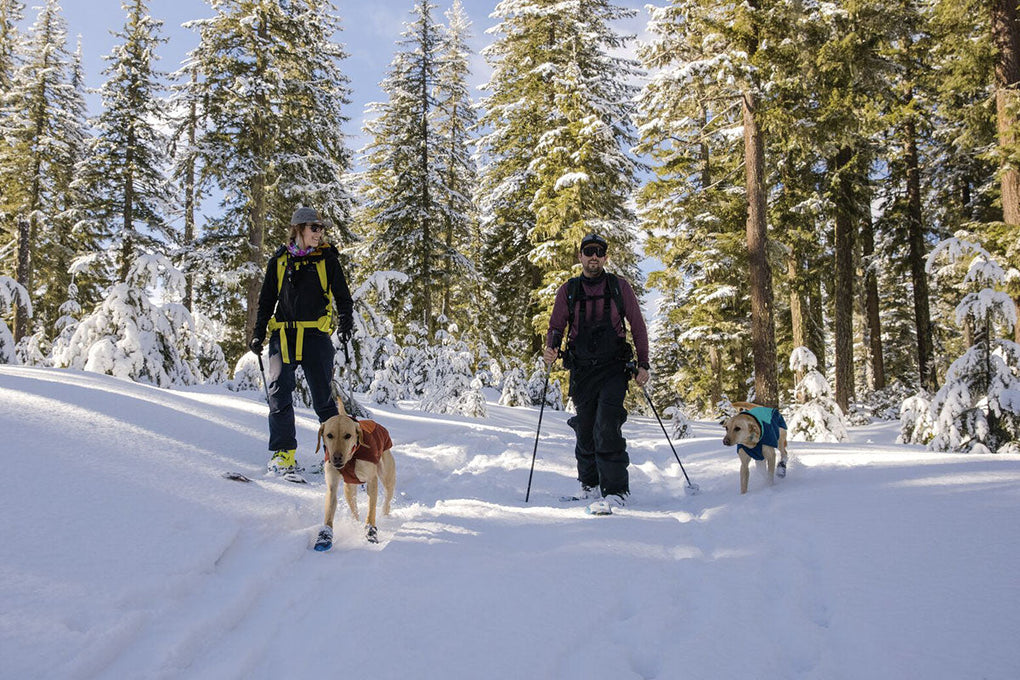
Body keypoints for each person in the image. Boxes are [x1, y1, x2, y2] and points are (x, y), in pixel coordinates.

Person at [543, 233, 650, 514]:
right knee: (586, 427)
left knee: (607, 424)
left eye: (599, 252)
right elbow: (556, 326)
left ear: (605, 258)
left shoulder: (619, 287)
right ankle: (589, 486)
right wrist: (551, 348)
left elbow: (637, 326)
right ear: (580, 256)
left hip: (614, 368)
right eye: (588, 251)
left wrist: (644, 363)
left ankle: (616, 491)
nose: (594, 256)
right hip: (581, 369)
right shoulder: (569, 290)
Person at [249, 206, 355, 476]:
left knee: (323, 398)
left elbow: (343, 297)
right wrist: (259, 332)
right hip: (283, 336)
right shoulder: (279, 261)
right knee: (278, 394)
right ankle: (284, 454)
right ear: (298, 229)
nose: (319, 233)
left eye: (321, 228)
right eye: (314, 228)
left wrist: (346, 323)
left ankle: (333, 457)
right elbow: (266, 301)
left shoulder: (327, 260)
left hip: (315, 336)